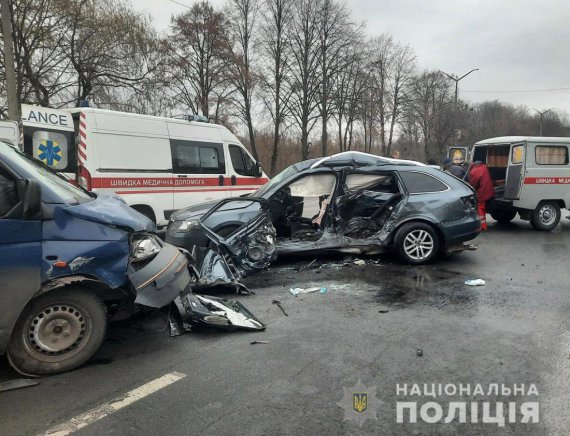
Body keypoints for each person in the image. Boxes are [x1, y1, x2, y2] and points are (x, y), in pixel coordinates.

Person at [467, 161, 494, 231]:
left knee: (479, 208)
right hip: (488, 190)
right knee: (483, 208)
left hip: (482, 192)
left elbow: (473, 184)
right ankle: (483, 224)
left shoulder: (474, 171)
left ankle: (483, 226)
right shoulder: (484, 167)